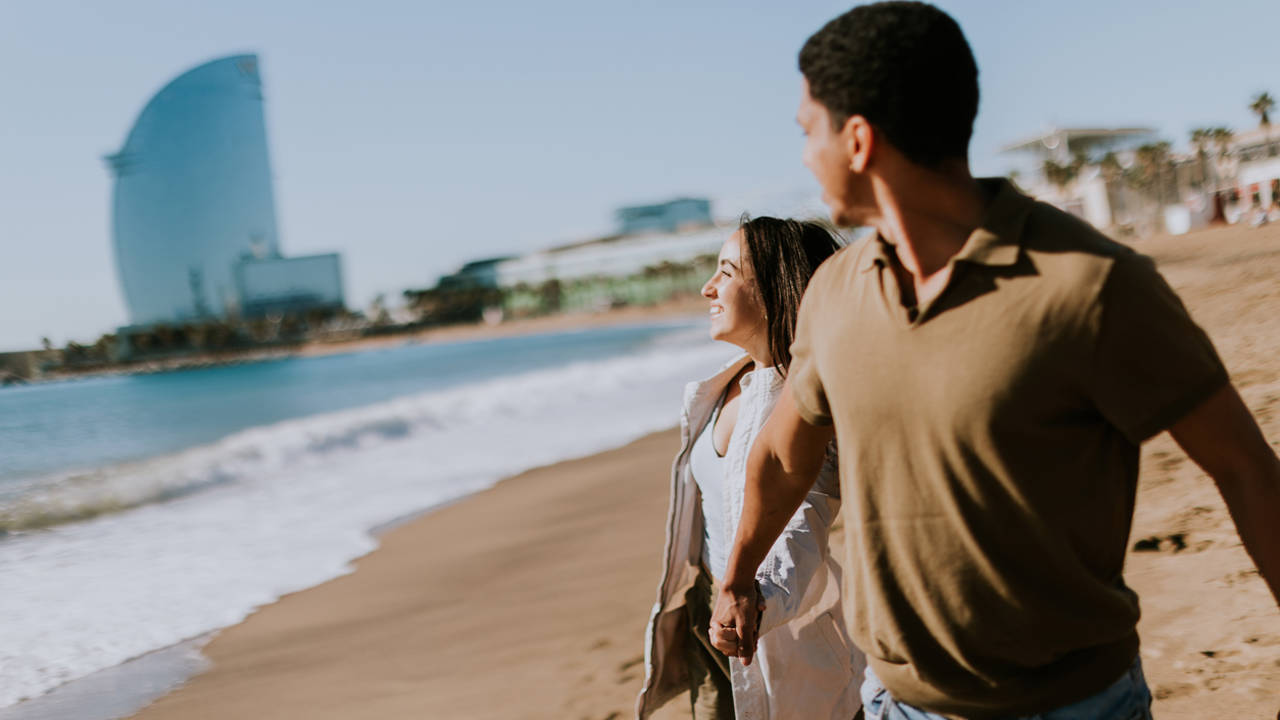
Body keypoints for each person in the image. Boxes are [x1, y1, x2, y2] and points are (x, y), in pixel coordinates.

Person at [711, 3, 1280, 719]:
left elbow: (1243, 466)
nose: (803, 156)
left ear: (858, 140)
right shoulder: (835, 295)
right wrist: (736, 576)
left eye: (807, 132)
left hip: (1075, 705)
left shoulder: (1089, 284)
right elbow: (783, 458)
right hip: (900, 704)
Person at [636, 216, 866, 720]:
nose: (707, 287)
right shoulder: (721, 387)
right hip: (711, 609)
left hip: (776, 627)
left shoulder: (806, 404)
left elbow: (803, 524)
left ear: (773, 288)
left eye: (726, 271)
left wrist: (756, 601)